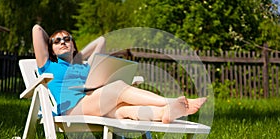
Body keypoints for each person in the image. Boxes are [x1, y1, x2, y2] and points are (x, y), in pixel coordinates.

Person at [32, 24, 207, 124]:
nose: (62, 42)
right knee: (118, 88)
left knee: (124, 110)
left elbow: (101, 41)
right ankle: (171, 102)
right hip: (70, 109)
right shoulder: (48, 65)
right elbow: (37, 29)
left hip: (92, 104)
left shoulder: (84, 67)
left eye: (67, 39)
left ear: (74, 45)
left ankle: (164, 114)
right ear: (51, 49)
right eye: (57, 41)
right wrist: (51, 43)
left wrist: (77, 56)